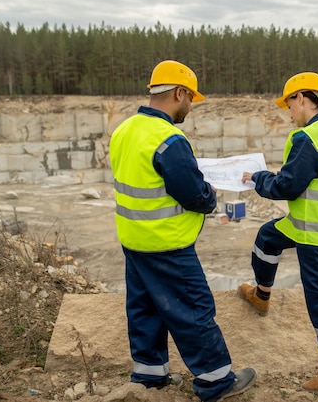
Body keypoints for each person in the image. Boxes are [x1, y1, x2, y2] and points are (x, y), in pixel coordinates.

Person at [109, 60, 256, 402]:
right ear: (179, 93)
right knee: (193, 309)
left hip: (134, 239)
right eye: (190, 98)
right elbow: (195, 195)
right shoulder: (170, 139)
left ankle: (149, 376)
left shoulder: (125, 130)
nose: (190, 106)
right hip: (168, 242)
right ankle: (216, 382)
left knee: (144, 307)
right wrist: (210, 194)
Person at [239, 72, 318, 394]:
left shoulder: (309, 138)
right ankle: (262, 296)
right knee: (267, 238)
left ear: (303, 98)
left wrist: (258, 178)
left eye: (289, 103)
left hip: (312, 231)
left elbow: (286, 186)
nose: (288, 112)